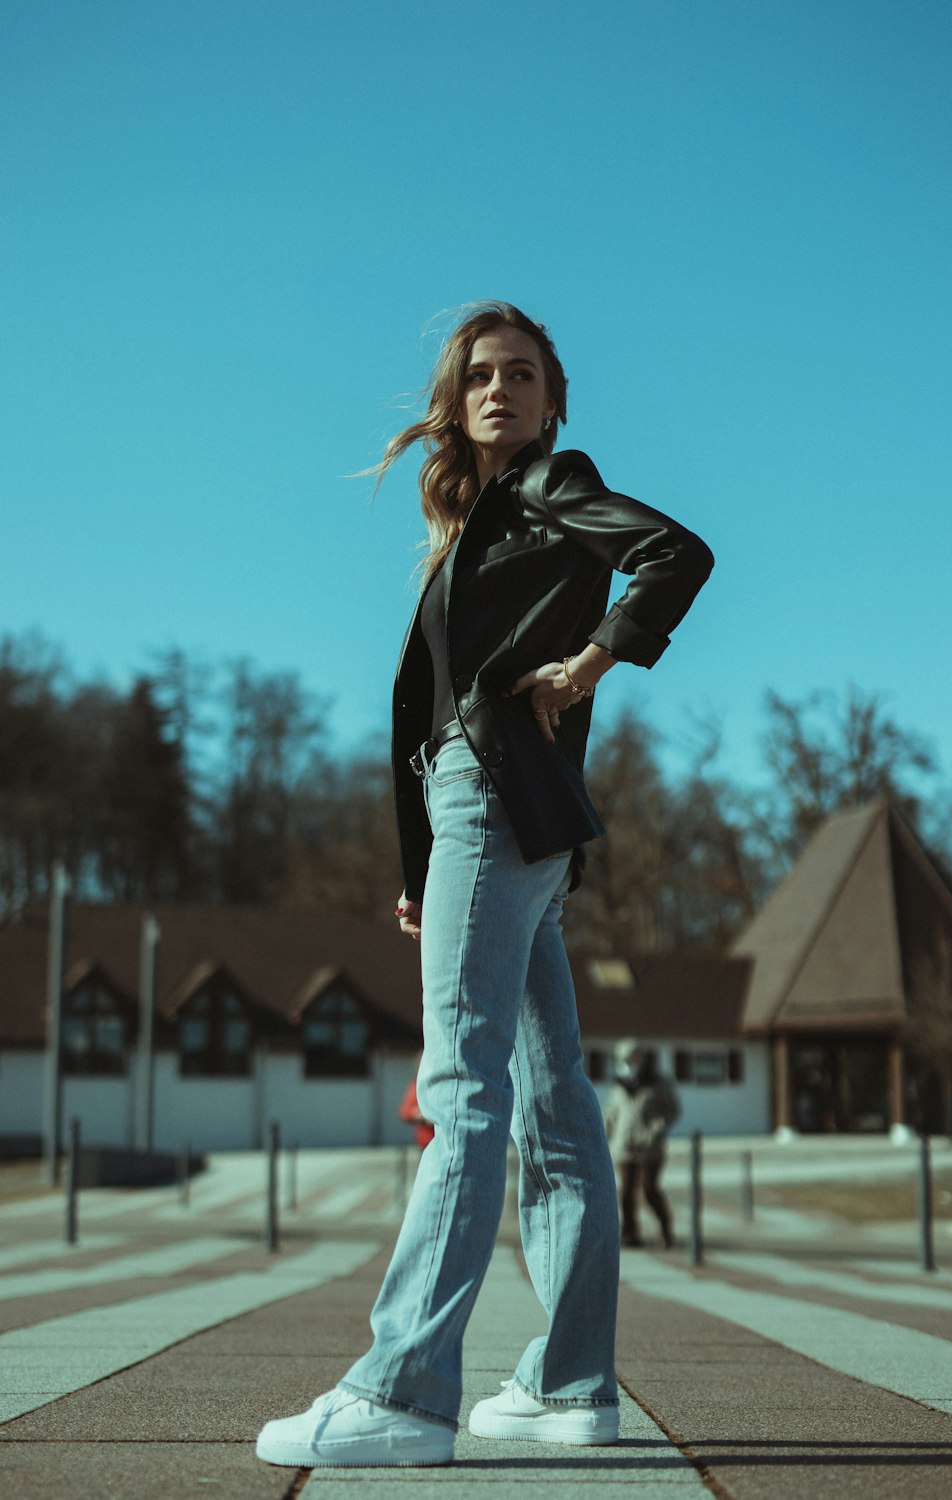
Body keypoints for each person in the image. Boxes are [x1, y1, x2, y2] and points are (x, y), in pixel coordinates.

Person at [256, 301, 714, 1469]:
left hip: (496, 799)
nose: (499, 390)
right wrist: (424, 874)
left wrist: (599, 653)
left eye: (521, 374)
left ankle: (403, 1389)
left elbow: (674, 552)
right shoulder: (484, 525)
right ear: (456, 406)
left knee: (462, 1086)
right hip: (505, 825)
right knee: (557, 1105)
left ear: (553, 399)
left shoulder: (555, 484)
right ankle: (570, 1387)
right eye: (479, 378)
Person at [605, 1042, 681, 1248]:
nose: (628, 1064)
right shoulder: (620, 1083)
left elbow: (672, 1110)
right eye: (623, 1060)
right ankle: (630, 1234)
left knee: (649, 1189)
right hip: (624, 1147)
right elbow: (612, 1114)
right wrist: (601, 1133)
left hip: (650, 1148)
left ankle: (666, 1229)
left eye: (632, 1059)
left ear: (641, 1058)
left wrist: (656, 1129)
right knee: (627, 1193)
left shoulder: (658, 1082)